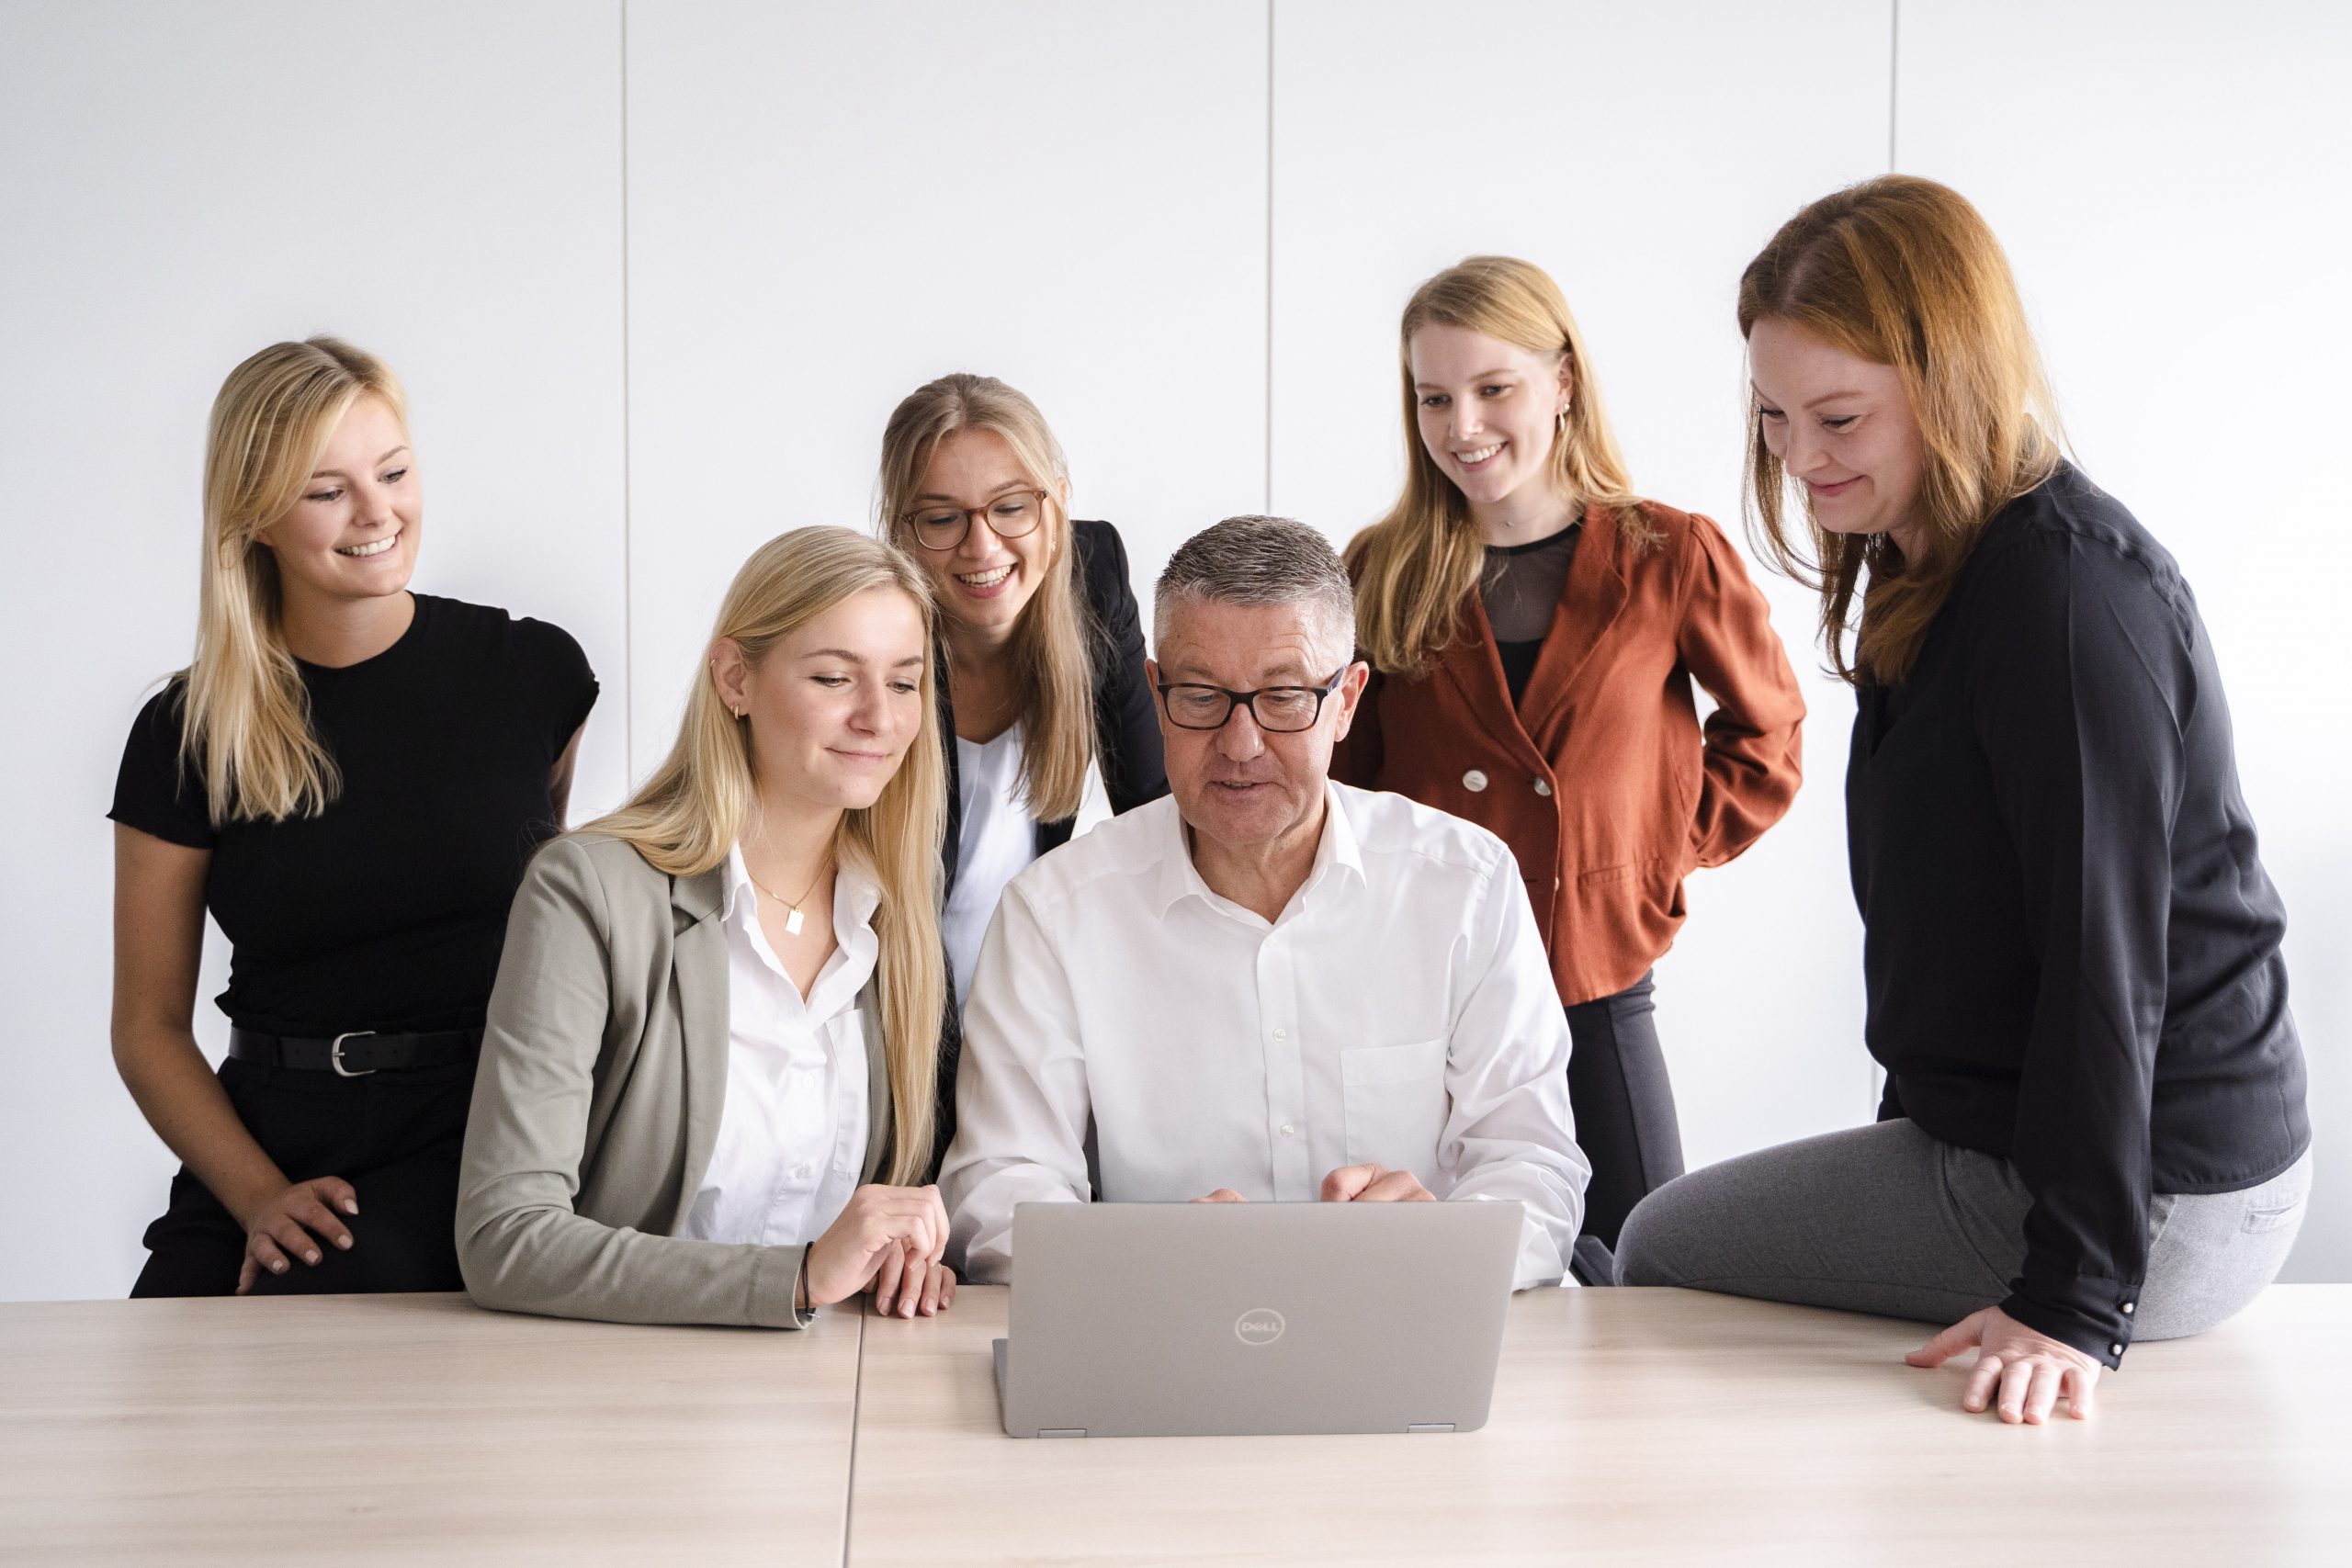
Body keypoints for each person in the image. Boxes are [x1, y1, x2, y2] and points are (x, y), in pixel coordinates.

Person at [1614, 175, 2313, 1425]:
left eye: (1838, 417)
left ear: (1953, 382)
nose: (1799, 457)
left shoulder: (2057, 598)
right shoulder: (1932, 552)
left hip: (2158, 1196)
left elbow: (2111, 962)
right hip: (2057, 1154)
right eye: (1773, 416)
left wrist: (2074, 1301)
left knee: (1657, 1239)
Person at [943, 514, 1589, 1289]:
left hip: (1411, 1323)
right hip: (1166, 1345)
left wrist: (1439, 1245)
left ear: (1348, 699)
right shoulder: (1055, 913)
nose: (1241, 742)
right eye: (1201, 695)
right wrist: (1152, 1264)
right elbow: (999, 1187)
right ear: (1155, 693)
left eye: (1285, 697)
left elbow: (1534, 1163)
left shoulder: (1465, 885)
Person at [1334, 256, 1804, 1257]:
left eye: (1493, 388)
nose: (1462, 426)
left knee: (1649, 1268)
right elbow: (1346, 777)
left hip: (1598, 975)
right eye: (1434, 398)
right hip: (1425, 990)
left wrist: (1646, 858)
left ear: (1562, 384)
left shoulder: (1669, 553)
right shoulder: (1379, 569)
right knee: (1430, 1266)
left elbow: (1767, 733)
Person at [109, 337, 597, 1297]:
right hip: (263, 1137)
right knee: (163, 1360)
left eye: (394, 472)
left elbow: (555, 931)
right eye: (326, 491)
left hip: (477, 1129)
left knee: (314, 1310)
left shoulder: (533, 674)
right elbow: (148, 1028)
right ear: (254, 516)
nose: (378, 513)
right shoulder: (187, 729)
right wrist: (255, 1197)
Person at [458, 527, 961, 1325]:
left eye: (905, 684)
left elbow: (864, 1217)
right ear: (735, 678)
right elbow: (505, 1237)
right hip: (627, 1394)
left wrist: (900, 1256)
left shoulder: (896, 903)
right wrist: (793, 1279)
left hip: (840, 1389)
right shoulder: (588, 890)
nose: (879, 717)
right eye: (835, 677)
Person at [878, 374, 1166, 1002]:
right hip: (894, 992)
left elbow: (1161, 811)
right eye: (942, 517)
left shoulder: (1094, 580)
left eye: (1010, 507)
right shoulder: (871, 628)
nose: (982, 545)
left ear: (1056, 508)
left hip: (1031, 995)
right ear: (901, 532)